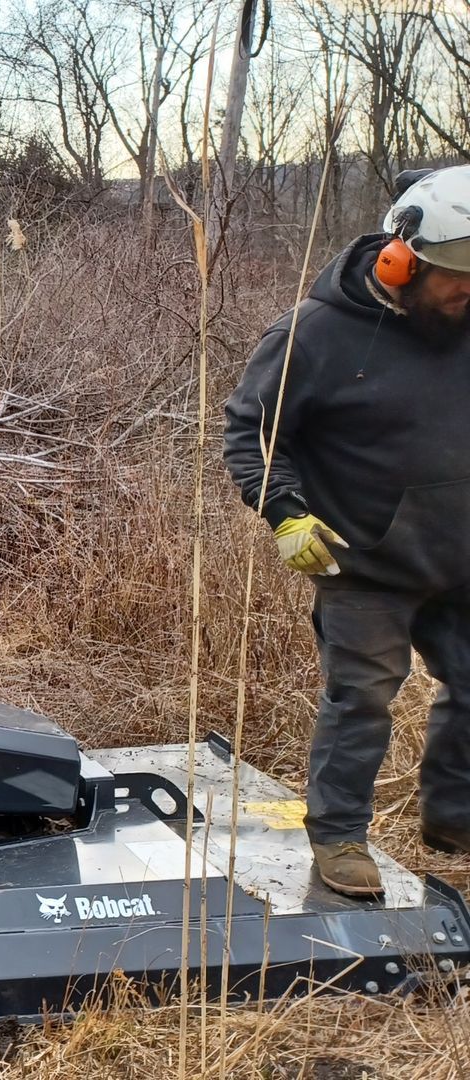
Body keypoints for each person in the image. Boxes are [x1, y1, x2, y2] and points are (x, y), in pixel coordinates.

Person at [223, 165, 470, 899]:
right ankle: (338, 838)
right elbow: (250, 431)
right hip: (364, 561)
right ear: (403, 262)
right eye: (457, 281)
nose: (468, 294)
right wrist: (285, 512)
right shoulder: (315, 332)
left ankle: (454, 816)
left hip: (461, 560)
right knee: (362, 697)